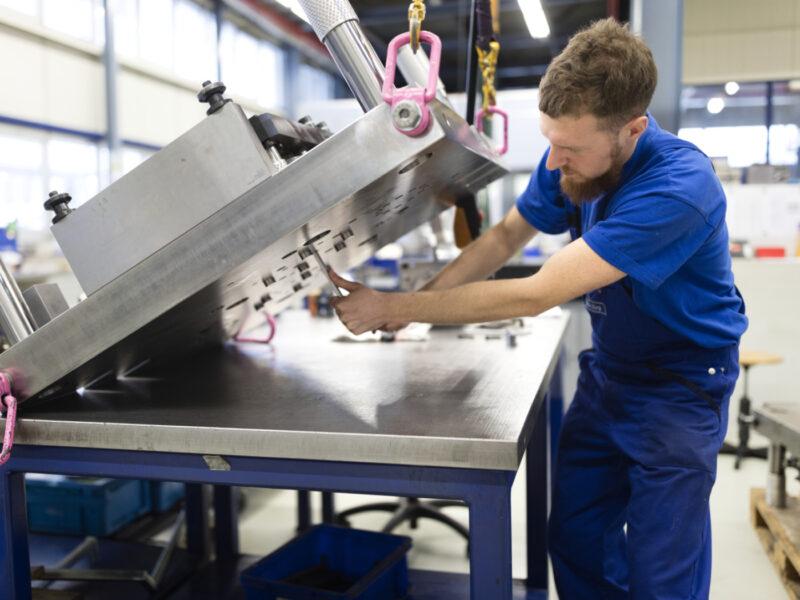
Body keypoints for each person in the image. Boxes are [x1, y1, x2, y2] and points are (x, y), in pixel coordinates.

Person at [329, 17, 747, 599]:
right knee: (576, 539)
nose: (553, 163)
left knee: (661, 570)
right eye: (550, 141)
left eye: (569, 148)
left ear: (632, 129)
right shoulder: (573, 160)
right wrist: (404, 310)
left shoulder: (678, 187)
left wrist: (395, 305)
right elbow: (504, 237)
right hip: (610, 373)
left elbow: (536, 292)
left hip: (680, 387)